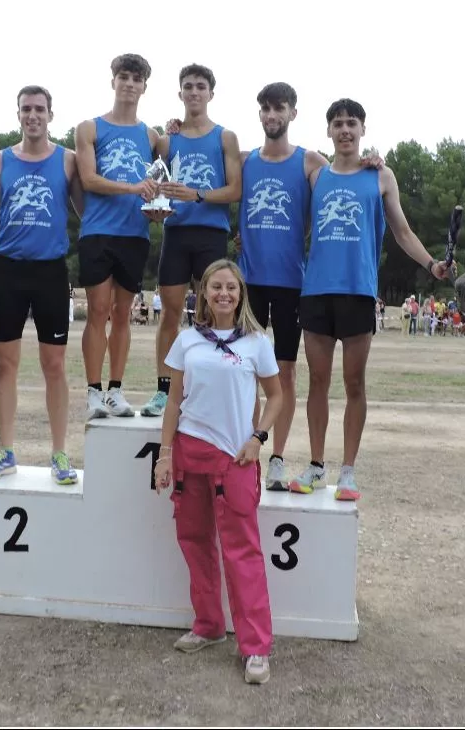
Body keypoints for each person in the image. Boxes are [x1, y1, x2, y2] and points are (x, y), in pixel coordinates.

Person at [287, 99, 452, 500]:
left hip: (359, 291)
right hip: (317, 291)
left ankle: (347, 472)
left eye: (352, 124)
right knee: (318, 383)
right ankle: (315, 467)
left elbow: (402, 232)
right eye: (338, 124)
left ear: (362, 130)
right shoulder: (315, 175)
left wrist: (432, 265)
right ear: (328, 131)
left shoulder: (381, 176)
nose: (345, 130)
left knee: (354, 383)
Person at [153, 258, 282, 686]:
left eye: (231, 287)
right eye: (215, 288)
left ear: (241, 293)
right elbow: (174, 402)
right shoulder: (187, 340)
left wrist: (258, 438)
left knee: (241, 550)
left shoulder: (257, 342)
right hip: (191, 452)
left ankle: (255, 646)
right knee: (195, 541)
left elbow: (276, 398)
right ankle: (208, 624)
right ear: (203, 294)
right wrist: (165, 454)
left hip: (236, 457)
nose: (223, 294)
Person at [0, 85, 84, 485]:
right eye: (26, 109)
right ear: (18, 114)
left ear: (51, 115)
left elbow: (86, 211)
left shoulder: (68, 161)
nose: (33, 115)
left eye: (40, 109)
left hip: (50, 272)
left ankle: (60, 453)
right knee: (6, 364)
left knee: (54, 366)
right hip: (9, 271)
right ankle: (6, 451)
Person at [140, 63, 243, 418]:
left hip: (212, 234)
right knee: (169, 314)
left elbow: (235, 189)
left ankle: (211, 387)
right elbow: (154, 185)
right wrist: (154, 208)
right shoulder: (168, 141)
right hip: (176, 233)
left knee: (214, 313)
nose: (195, 92)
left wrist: (196, 194)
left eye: (201, 86)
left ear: (211, 93)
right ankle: (163, 390)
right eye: (188, 86)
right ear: (180, 93)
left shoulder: (225, 137)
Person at [74, 53, 161, 421]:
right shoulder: (89, 128)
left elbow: (160, 182)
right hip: (98, 230)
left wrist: (157, 205)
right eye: (123, 77)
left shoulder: (152, 136)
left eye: (136, 79)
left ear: (144, 87)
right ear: (113, 82)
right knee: (97, 311)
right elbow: (89, 180)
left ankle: (115, 391)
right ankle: (93, 392)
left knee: (123, 314)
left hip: (134, 234)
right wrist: (133, 188)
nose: (129, 84)